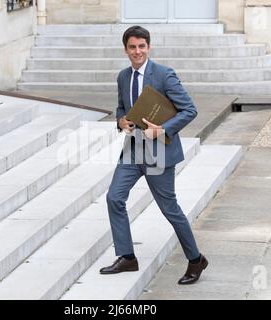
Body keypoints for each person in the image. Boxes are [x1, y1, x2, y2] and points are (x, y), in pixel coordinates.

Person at [99, 25, 207, 285]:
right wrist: (120, 122)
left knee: (169, 208)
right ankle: (127, 256)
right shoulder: (123, 77)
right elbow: (121, 108)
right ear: (125, 50)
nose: (137, 51)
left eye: (142, 46)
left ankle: (196, 259)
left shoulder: (164, 75)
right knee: (114, 197)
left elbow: (189, 110)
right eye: (132, 47)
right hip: (133, 150)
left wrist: (163, 129)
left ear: (149, 47)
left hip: (159, 153)